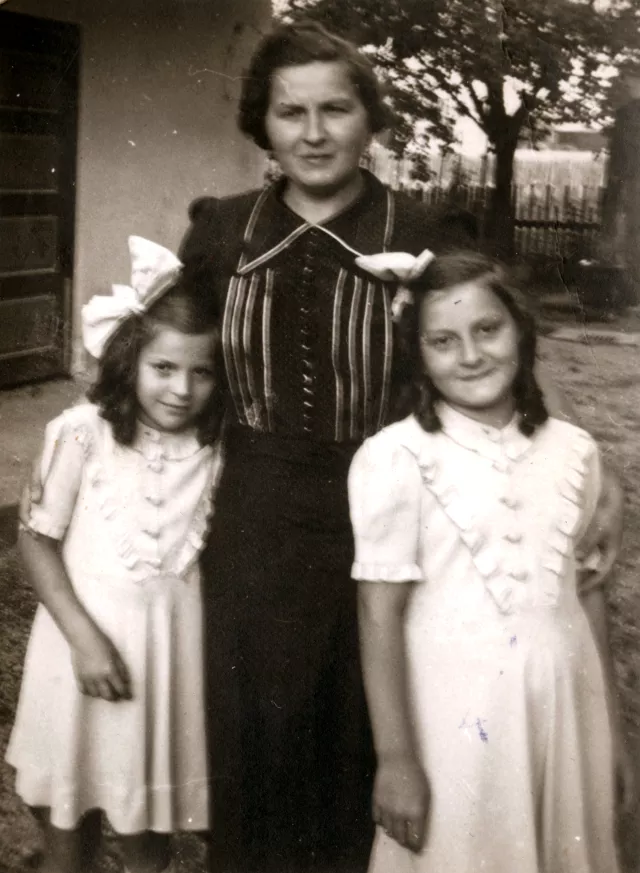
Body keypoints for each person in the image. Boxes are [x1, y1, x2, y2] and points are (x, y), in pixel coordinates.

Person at [177, 19, 624, 873]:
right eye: (290, 112)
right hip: (259, 526)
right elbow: (164, 364)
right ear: (261, 124)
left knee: (385, 744)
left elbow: (509, 362)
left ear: (368, 119)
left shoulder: (421, 226)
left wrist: (599, 488)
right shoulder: (222, 232)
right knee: (262, 748)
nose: (313, 133)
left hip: (402, 511)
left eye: (336, 109)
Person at [348, 251, 634, 873]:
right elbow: (378, 613)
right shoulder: (396, 458)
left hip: (561, 709)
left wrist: (611, 735)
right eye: (443, 341)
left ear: (521, 330)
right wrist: (395, 758)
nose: (471, 356)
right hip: (455, 719)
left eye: (488, 330)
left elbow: (588, 595)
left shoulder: (576, 452)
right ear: (417, 354)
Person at [7, 237, 224, 873]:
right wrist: (85, 640)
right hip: (80, 647)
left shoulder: (216, 450)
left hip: (166, 656)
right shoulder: (80, 433)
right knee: (69, 809)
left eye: (202, 371)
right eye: (164, 368)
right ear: (130, 361)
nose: (182, 389)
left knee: (145, 823)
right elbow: (35, 539)